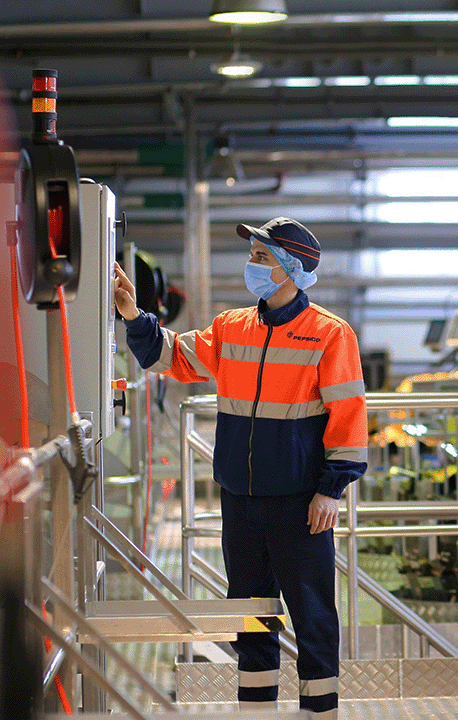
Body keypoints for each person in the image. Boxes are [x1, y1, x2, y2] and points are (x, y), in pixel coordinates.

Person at [113, 218, 367, 719]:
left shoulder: (329, 336)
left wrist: (330, 490)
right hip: (241, 499)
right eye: (252, 254)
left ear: (292, 269)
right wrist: (132, 314)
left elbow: (349, 417)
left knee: (312, 612)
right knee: (249, 614)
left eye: (261, 257)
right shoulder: (232, 327)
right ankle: (255, 709)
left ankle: (321, 710)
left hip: (300, 502)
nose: (251, 265)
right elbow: (173, 356)